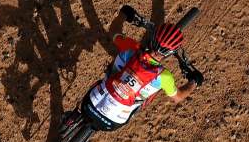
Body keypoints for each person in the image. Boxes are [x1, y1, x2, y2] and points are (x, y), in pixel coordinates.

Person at [65, 19, 203, 132]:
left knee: (104, 80)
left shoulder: (131, 46)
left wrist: (124, 14)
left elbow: (113, 32)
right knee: (139, 101)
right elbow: (178, 97)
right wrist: (194, 82)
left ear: (153, 37)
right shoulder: (164, 76)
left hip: (88, 105)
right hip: (112, 123)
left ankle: (74, 116)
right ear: (169, 53)